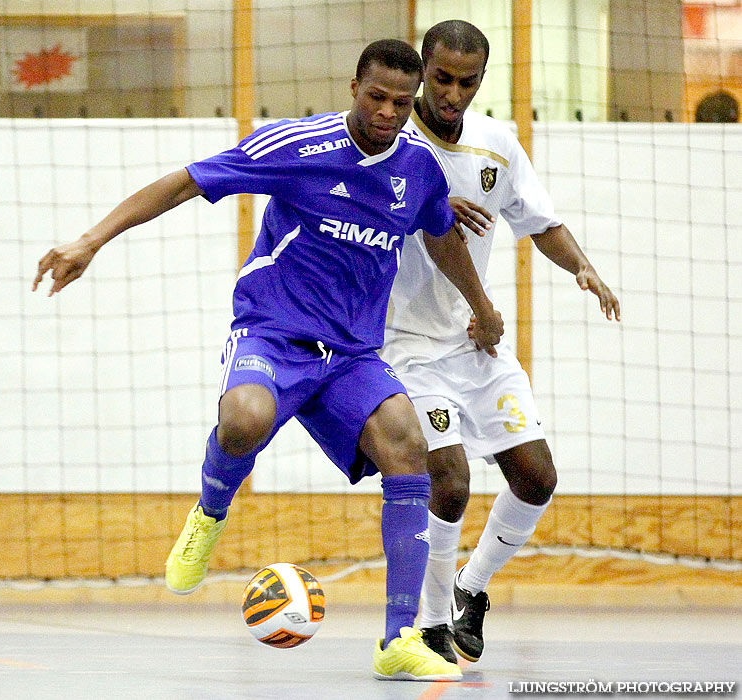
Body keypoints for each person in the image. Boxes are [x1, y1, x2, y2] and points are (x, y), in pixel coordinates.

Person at [32, 39, 505, 682]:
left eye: (401, 101)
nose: (389, 112)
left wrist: (481, 304)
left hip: (352, 353)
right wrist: (90, 241)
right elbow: (183, 182)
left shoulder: (419, 169)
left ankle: (398, 640)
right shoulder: (297, 148)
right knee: (245, 420)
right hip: (273, 332)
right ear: (352, 86)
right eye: (377, 97)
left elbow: (439, 232)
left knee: (407, 444)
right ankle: (210, 512)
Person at [381, 21, 621, 664]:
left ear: (480, 80)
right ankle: (429, 627)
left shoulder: (497, 144)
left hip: (475, 341)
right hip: (403, 346)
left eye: (467, 81)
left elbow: (540, 221)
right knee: (450, 479)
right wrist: (427, 204)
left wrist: (582, 267)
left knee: (537, 477)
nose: (453, 93)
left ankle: (471, 589)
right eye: (441, 78)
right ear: (422, 70)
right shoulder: (391, 140)